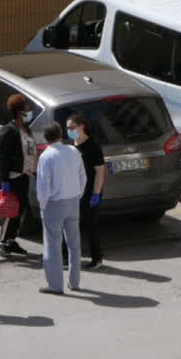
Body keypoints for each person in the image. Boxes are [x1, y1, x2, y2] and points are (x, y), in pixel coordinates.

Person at [35, 123, 87, 295]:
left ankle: (56, 285)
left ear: (46, 138)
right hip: (73, 201)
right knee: (74, 244)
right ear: (61, 135)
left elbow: (44, 186)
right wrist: (77, 194)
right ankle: (75, 281)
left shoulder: (46, 156)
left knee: (52, 245)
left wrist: (43, 205)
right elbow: (82, 176)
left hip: (54, 204)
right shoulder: (73, 151)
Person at [0, 94, 36, 258]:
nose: (29, 110)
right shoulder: (8, 131)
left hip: (25, 175)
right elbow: (1, 158)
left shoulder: (26, 128)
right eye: (26, 107)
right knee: (12, 210)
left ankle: (11, 240)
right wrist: (3, 180)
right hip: (12, 177)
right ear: (19, 111)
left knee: (21, 209)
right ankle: (4, 242)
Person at [65, 113, 106, 269]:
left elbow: (100, 172)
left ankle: (97, 257)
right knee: (71, 224)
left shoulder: (92, 146)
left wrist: (96, 194)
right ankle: (68, 256)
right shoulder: (71, 145)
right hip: (74, 191)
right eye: (68, 128)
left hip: (89, 191)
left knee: (90, 224)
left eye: (72, 128)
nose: (69, 130)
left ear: (81, 126)